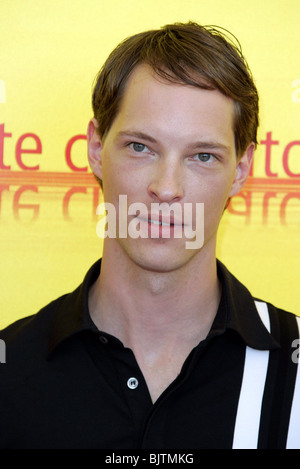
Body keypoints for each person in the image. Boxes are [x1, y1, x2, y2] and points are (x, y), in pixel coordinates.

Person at [0, 22, 299, 450]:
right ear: (96, 148)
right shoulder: (10, 369)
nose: (167, 187)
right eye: (141, 147)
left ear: (242, 170)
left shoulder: (294, 370)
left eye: (202, 156)